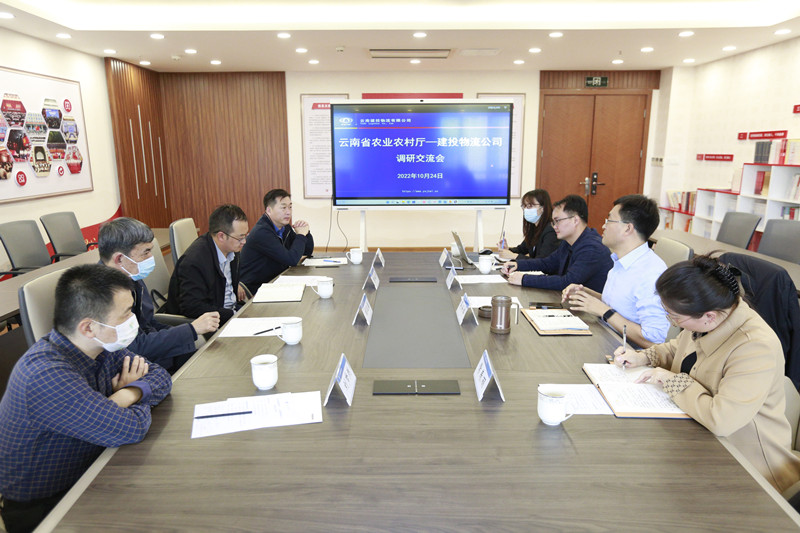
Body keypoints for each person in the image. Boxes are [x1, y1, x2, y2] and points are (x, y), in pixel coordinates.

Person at [0, 264, 172, 533]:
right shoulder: (45, 375)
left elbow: (161, 376)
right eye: (126, 313)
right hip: (49, 504)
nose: (133, 320)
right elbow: (131, 428)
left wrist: (126, 394)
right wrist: (122, 404)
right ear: (89, 327)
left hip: (95, 465)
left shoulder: (100, 346)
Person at [610, 255, 800, 494]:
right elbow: (678, 348)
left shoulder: (755, 347)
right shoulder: (711, 318)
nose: (674, 323)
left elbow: (722, 420)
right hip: (698, 441)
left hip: (750, 471)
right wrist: (644, 357)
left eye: (675, 317)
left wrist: (673, 381)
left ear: (709, 316)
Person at [98, 217, 220, 371]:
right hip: (135, 366)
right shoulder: (102, 295)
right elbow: (133, 348)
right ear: (120, 259)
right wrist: (190, 330)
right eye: (146, 252)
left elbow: (148, 323)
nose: (151, 257)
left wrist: (185, 332)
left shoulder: (131, 275)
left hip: (152, 354)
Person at [562, 195, 669, 348]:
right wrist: (585, 293)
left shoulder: (651, 273)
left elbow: (653, 341)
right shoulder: (621, 261)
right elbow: (620, 305)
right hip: (605, 339)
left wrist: (604, 311)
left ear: (628, 228)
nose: (603, 226)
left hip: (627, 355)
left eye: (609, 220)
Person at [500, 194, 612, 292]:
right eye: (553, 222)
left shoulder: (592, 247)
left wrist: (524, 279)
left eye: (557, 221)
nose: (554, 226)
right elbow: (547, 263)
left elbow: (568, 282)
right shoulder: (568, 242)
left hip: (588, 308)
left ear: (575, 220)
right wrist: (518, 265)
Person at [165, 204, 249, 326]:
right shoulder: (194, 262)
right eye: (240, 238)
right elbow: (192, 307)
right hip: (213, 322)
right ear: (221, 236)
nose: (244, 242)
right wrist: (233, 315)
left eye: (245, 235)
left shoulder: (231, 248)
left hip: (230, 310)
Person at [239, 189, 314, 293]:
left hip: (275, 282)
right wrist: (301, 235)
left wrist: (306, 232)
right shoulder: (262, 232)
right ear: (269, 210)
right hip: (257, 289)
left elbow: (306, 251)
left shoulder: (284, 227)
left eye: (290, 207)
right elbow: (291, 260)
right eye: (283, 207)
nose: (288, 212)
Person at [498, 189, 559, 261]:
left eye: (530, 206)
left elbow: (542, 261)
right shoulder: (534, 228)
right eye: (524, 206)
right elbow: (522, 249)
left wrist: (514, 256)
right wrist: (508, 250)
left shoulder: (551, 230)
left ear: (542, 208)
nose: (526, 209)